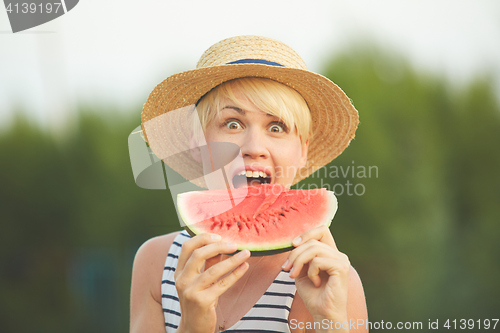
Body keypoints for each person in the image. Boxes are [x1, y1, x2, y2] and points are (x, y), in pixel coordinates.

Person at [130, 35, 368, 333]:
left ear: (303, 149)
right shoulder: (156, 263)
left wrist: (331, 322)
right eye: (232, 123)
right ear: (197, 143)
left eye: (276, 127)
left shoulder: (333, 282)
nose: (254, 146)